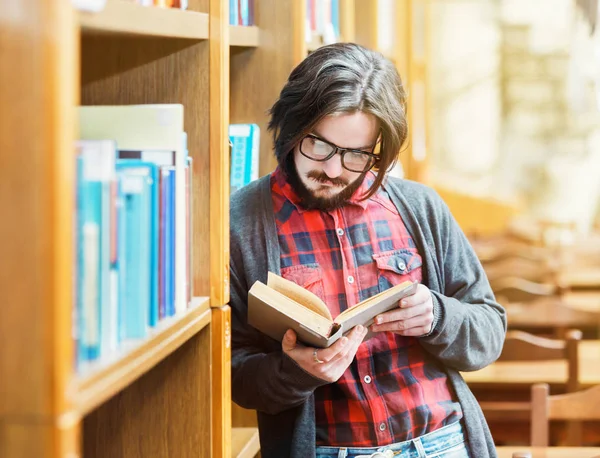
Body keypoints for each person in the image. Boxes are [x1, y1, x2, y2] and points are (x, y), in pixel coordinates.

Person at [230, 43, 506, 458]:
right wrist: (295, 372)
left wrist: (437, 316)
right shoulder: (240, 223)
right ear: (290, 127)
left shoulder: (419, 207)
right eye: (318, 145)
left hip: (444, 442)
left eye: (357, 154)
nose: (334, 169)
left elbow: (489, 332)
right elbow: (230, 374)